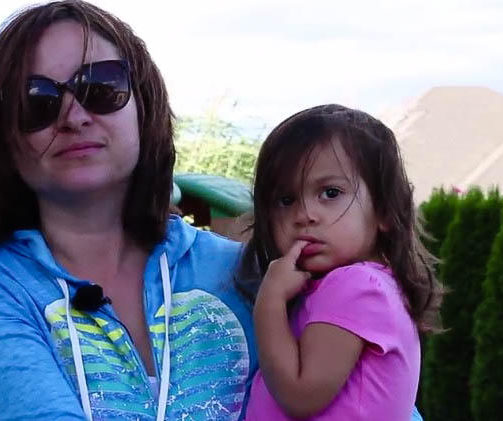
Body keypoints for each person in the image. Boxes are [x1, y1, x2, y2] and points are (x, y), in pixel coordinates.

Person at [0, 1, 257, 420]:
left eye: (100, 87)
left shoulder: (249, 273)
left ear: (144, 104)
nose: (74, 116)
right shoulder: (9, 289)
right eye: (37, 101)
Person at [239, 104, 444, 420]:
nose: (304, 215)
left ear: (385, 211)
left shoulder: (354, 285)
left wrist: (269, 302)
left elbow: (300, 395)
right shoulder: (362, 285)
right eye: (286, 200)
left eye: (330, 192)